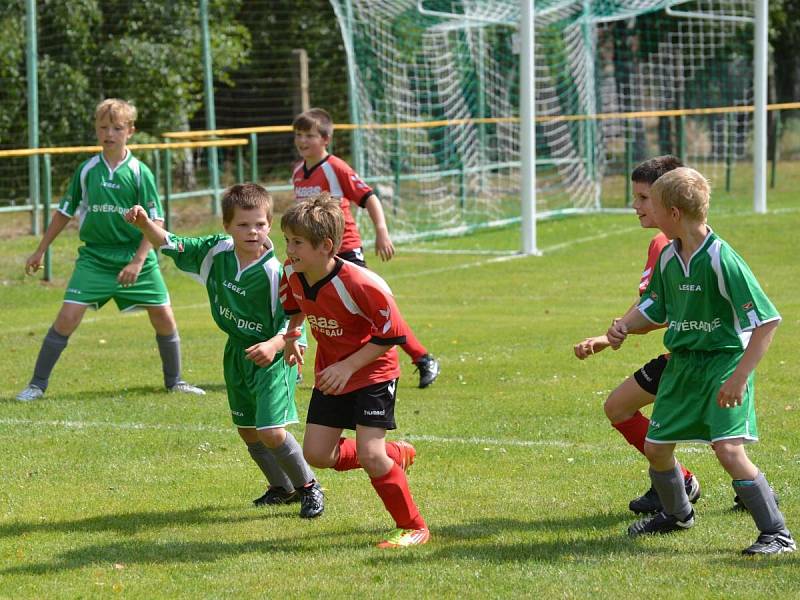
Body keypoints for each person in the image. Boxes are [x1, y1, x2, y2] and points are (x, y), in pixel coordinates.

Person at [607, 167, 794, 555]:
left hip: (723, 363)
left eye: (653, 206)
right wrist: (625, 324)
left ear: (674, 213)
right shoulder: (670, 257)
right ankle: (677, 514)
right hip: (682, 364)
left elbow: (768, 321)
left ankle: (777, 534)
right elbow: (655, 305)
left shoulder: (722, 259)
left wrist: (740, 377)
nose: (647, 213)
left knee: (728, 450)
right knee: (658, 447)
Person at [124, 183, 324, 518]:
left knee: (272, 432)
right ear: (227, 227)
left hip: (274, 355)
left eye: (259, 224)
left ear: (269, 225)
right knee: (247, 429)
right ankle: (282, 488)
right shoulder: (216, 251)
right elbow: (172, 243)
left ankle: (309, 487)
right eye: (243, 225)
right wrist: (145, 224)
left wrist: (276, 344)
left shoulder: (280, 272)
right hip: (237, 352)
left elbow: (295, 321)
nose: (252, 231)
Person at [16, 98, 204, 402]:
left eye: (117, 127)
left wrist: (139, 260)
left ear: (130, 130)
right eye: (103, 127)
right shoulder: (87, 170)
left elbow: (155, 219)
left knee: (164, 318)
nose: (109, 133)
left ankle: (175, 382)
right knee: (67, 318)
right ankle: (36, 386)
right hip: (95, 258)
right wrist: (40, 250)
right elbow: (64, 211)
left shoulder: (141, 172)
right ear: (96, 130)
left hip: (135, 256)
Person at [279, 193, 428, 548]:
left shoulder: (362, 284)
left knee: (371, 455)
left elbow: (393, 335)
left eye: (297, 242)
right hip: (333, 373)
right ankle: (395, 454)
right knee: (317, 455)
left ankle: (414, 527)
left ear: (326, 246)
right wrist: (292, 337)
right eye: (287, 240)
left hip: (373, 373)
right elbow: (294, 307)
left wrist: (348, 365)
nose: (289, 249)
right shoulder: (293, 272)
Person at [573, 155, 701, 514]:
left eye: (644, 198)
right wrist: (610, 335)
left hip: (694, 357)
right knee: (712, 430)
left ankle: (681, 486)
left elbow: (662, 311)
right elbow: (654, 301)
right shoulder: (673, 239)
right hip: (690, 354)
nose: (635, 206)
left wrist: (622, 329)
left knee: (624, 409)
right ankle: (683, 484)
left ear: (667, 200)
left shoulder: (667, 244)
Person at [291, 107, 440, 389]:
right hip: (314, 256)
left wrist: (381, 233)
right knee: (311, 307)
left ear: (325, 139)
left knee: (377, 312)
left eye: (309, 135)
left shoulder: (336, 168)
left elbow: (369, 197)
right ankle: (297, 362)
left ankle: (422, 358)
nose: (302, 141)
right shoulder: (298, 171)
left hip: (343, 251)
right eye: (298, 135)